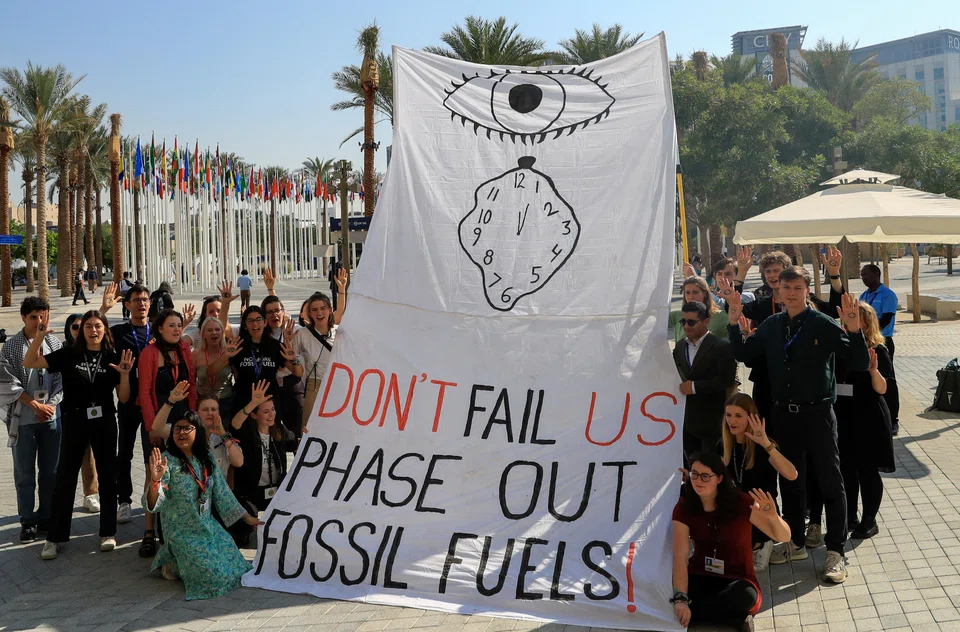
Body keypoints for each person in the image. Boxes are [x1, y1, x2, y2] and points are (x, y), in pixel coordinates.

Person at [727, 266, 868, 583]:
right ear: (778, 290)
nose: (790, 292)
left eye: (796, 287)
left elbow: (857, 363)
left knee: (831, 482)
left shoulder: (822, 323)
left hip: (817, 414)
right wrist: (734, 322)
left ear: (807, 289)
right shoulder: (773, 325)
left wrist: (855, 329)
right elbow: (746, 355)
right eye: (785, 287)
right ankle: (796, 542)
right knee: (791, 481)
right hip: (783, 415)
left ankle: (835, 551)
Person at [24, 310, 134, 560]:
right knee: (65, 478)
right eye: (88, 327)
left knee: (108, 477)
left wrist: (125, 375)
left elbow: (124, 397)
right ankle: (54, 537)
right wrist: (39, 337)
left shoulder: (113, 357)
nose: (93, 331)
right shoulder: (68, 353)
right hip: (74, 420)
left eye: (98, 326)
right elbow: (30, 363)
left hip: (105, 421)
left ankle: (107, 532)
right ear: (81, 330)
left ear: (105, 329)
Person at [144, 415, 261, 599]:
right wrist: (155, 480)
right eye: (177, 429)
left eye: (186, 428)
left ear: (197, 431)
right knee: (215, 578)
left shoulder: (206, 458)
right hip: (181, 532)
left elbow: (223, 493)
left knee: (239, 567)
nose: (181, 433)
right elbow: (154, 503)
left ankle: (176, 562)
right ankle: (172, 563)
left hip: (208, 526)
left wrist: (247, 518)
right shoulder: (167, 461)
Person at [807, 303, 895, 545]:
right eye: (844, 319)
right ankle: (850, 517)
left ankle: (870, 520)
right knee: (845, 470)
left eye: (851, 319)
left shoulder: (878, 349)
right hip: (841, 415)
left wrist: (873, 371)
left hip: (868, 417)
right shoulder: (840, 348)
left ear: (865, 322)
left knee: (867, 471)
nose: (845, 324)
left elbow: (883, 388)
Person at [671, 452, 790, 631]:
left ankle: (697, 613)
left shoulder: (741, 503)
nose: (698, 481)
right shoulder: (684, 506)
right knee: (672, 591)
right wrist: (680, 599)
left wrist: (773, 517)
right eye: (694, 474)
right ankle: (729, 619)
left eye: (705, 476)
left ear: (719, 478)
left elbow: (784, 537)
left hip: (737, 579)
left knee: (745, 596)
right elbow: (680, 555)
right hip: (701, 574)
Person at [99, 282, 161, 557]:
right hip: (126, 402)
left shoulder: (156, 330)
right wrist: (103, 308)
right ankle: (124, 499)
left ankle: (153, 498)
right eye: (136, 300)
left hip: (152, 404)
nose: (142, 304)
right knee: (123, 453)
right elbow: (94, 336)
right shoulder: (118, 332)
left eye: (145, 299)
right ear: (128, 305)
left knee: (153, 454)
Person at [2, 297, 63, 543]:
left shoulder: (54, 342)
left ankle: (46, 517)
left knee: (50, 472)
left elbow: (61, 379)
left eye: (43, 315)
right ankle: (27, 521)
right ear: (23, 318)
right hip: (24, 419)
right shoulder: (12, 346)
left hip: (51, 418)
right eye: (33, 317)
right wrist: (34, 404)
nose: (39, 321)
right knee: (24, 473)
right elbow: (7, 382)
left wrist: (50, 405)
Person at [721, 394, 798, 572]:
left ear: (751, 417)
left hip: (763, 509)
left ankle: (761, 544)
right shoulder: (724, 445)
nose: (732, 421)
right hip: (739, 507)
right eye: (728, 415)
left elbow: (792, 474)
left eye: (738, 416)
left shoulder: (764, 447)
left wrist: (765, 443)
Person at [229, 381, 295, 542]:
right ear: (254, 415)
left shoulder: (278, 431)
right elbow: (235, 424)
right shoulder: (248, 434)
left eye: (272, 410)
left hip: (276, 491)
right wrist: (253, 403)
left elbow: (296, 442)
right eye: (265, 411)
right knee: (243, 533)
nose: (271, 414)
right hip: (251, 493)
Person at [672, 301, 737, 459]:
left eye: (691, 322)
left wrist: (695, 387)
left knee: (712, 470)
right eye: (683, 321)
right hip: (686, 424)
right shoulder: (679, 348)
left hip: (712, 424)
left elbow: (726, 380)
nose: (686, 326)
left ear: (706, 321)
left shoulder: (722, 347)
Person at [149, 383, 245, 480]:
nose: (210, 413)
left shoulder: (224, 437)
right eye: (205, 409)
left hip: (215, 491)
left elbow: (239, 462)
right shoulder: (185, 431)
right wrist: (171, 401)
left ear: (219, 412)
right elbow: (157, 428)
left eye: (214, 409)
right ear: (197, 412)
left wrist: (223, 435)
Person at [228, 305, 302, 426]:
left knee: (272, 436)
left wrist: (294, 359)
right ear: (245, 325)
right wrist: (225, 356)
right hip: (244, 399)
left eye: (258, 320)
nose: (255, 324)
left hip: (270, 402)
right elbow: (227, 372)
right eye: (250, 321)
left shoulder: (275, 346)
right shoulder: (238, 346)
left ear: (265, 322)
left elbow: (298, 372)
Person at [297, 283, 347, 433]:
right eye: (314, 310)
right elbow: (290, 357)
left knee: (339, 428)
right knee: (309, 429)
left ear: (330, 310)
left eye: (323, 308)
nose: (319, 313)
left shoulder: (341, 332)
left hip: (339, 384)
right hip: (315, 385)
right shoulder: (302, 334)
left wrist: (342, 291)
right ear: (309, 314)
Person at [139, 309, 198, 435]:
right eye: (171, 326)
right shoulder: (149, 353)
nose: (177, 329)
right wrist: (151, 427)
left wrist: (194, 416)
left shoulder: (184, 348)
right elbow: (145, 393)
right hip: (159, 416)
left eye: (179, 325)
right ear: (160, 329)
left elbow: (192, 385)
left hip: (184, 415)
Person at [64, 313, 101, 513]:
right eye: (75, 327)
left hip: (88, 412)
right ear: (69, 330)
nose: (80, 331)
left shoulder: (93, 351)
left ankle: (91, 494)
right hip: (61, 410)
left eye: (82, 327)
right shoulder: (63, 352)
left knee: (89, 456)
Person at [858, 263, 900, 435]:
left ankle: (893, 419)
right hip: (864, 342)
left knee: (887, 380)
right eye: (861, 275)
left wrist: (870, 331)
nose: (863, 278)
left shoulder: (888, 295)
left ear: (877, 274)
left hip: (882, 342)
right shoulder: (864, 295)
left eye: (866, 274)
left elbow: (887, 319)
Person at [262, 296, 305, 443]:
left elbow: (298, 371)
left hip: (292, 383)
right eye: (269, 312)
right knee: (276, 432)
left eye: (277, 310)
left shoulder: (296, 330)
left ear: (283, 312)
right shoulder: (261, 334)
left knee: (298, 431)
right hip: (272, 386)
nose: (274, 315)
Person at [193, 318, 236, 421]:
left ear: (222, 332)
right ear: (203, 334)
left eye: (217, 329)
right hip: (203, 403)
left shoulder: (230, 352)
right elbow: (191, 382)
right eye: (209, 330)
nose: (214, 333)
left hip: (226, 403)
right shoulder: (196, 354)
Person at [668, 277, 729, 342]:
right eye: (687, 293)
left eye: (695, 292)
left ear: (705, 293)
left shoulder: (720, 316)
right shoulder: (677, 315)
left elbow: (733, 341)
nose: (691, 296)